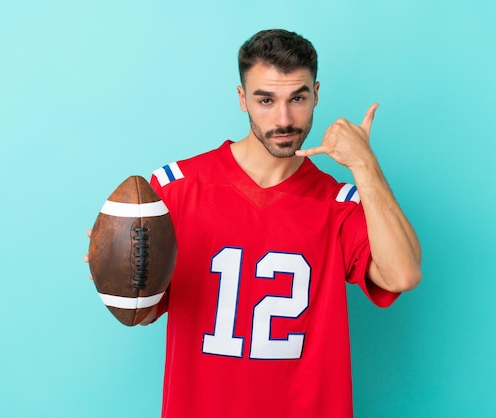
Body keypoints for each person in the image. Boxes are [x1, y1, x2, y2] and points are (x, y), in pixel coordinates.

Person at [87, 29, 421, 418]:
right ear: (242, 99)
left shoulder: (337, 203)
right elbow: (143, 313)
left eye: (297, 98)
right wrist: (118, 272)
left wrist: (366, 165)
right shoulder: (174, 189)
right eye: (266, 100)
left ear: (316, 93)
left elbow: (402, 275)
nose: (284, 118)